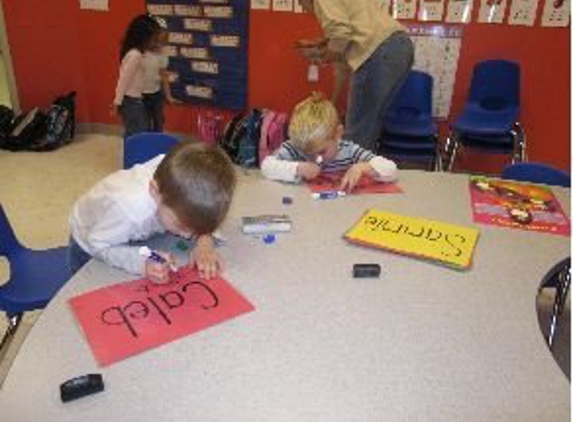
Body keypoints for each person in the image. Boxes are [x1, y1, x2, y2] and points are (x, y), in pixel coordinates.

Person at [68, 142, 237, 282]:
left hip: (134, 230)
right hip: (91, 238)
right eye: (180, 225)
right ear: (155, 192)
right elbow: (98, 245)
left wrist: (204, 241)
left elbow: (200, 211)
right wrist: (143, 262)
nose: (186, 237)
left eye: (193, 230)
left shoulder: (174, 183)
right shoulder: (129, 210)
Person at [295, 0, 414, 153]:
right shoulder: (350, 26)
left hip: (380, 51)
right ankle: (361, 171)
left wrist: (325, 56)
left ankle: (351, 174)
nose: (304, 8)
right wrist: (332, 105)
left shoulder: (324, 7)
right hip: (401, 48)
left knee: (358, 133)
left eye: (301, 3)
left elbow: (339, 33)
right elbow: (342, 70)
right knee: (369, 126)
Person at [260, 92, 397, 191]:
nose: (315, 158)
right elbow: (266, 166)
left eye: (321, 152)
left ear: (338, 134)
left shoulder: (349, 150)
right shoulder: (296, 147)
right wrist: (297, 168)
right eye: (308, 153)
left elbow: (392, 169)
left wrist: (363, 167)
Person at [112, 14, 160, 139]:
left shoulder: (136, 53)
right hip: (131, 102)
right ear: (143, 38)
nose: (155, 42)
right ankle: (133, 156)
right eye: (153, 39)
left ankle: (129, 155)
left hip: (133, 100)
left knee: (134, 132)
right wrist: (117, 102)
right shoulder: (135, 55)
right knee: (139, 133)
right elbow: (123, 80)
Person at [142, 20, 177, 132]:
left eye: (162, 42)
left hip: (156, 95)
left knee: (159, 122)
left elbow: (163, 76)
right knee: (145, 124)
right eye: (156, 41)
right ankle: (147, 146)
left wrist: (168, 96)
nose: (159, 45)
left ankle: (157, 145)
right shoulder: (139, 53)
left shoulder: (162, 54)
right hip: (141, 96)